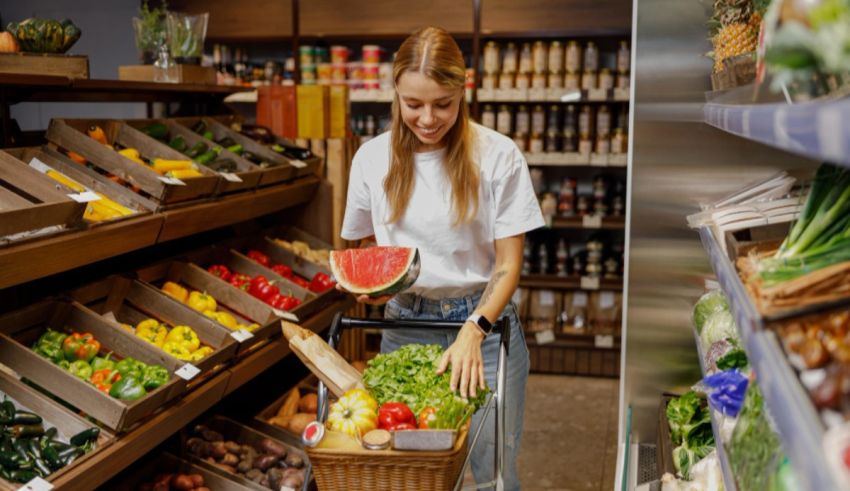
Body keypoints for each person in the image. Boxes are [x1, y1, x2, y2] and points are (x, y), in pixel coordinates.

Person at [339, 26, 544, 490]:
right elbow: (368, 253)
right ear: (395, 92)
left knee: (491, 475)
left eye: (442, 104)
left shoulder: (498, 156)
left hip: (484, 334)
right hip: (402, 327)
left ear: (462, 92)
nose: (428, 118)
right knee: (407, 475)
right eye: (413, 104)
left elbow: (508, 264)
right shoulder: (371, 159)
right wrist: (369, 291)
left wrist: (475, 328)